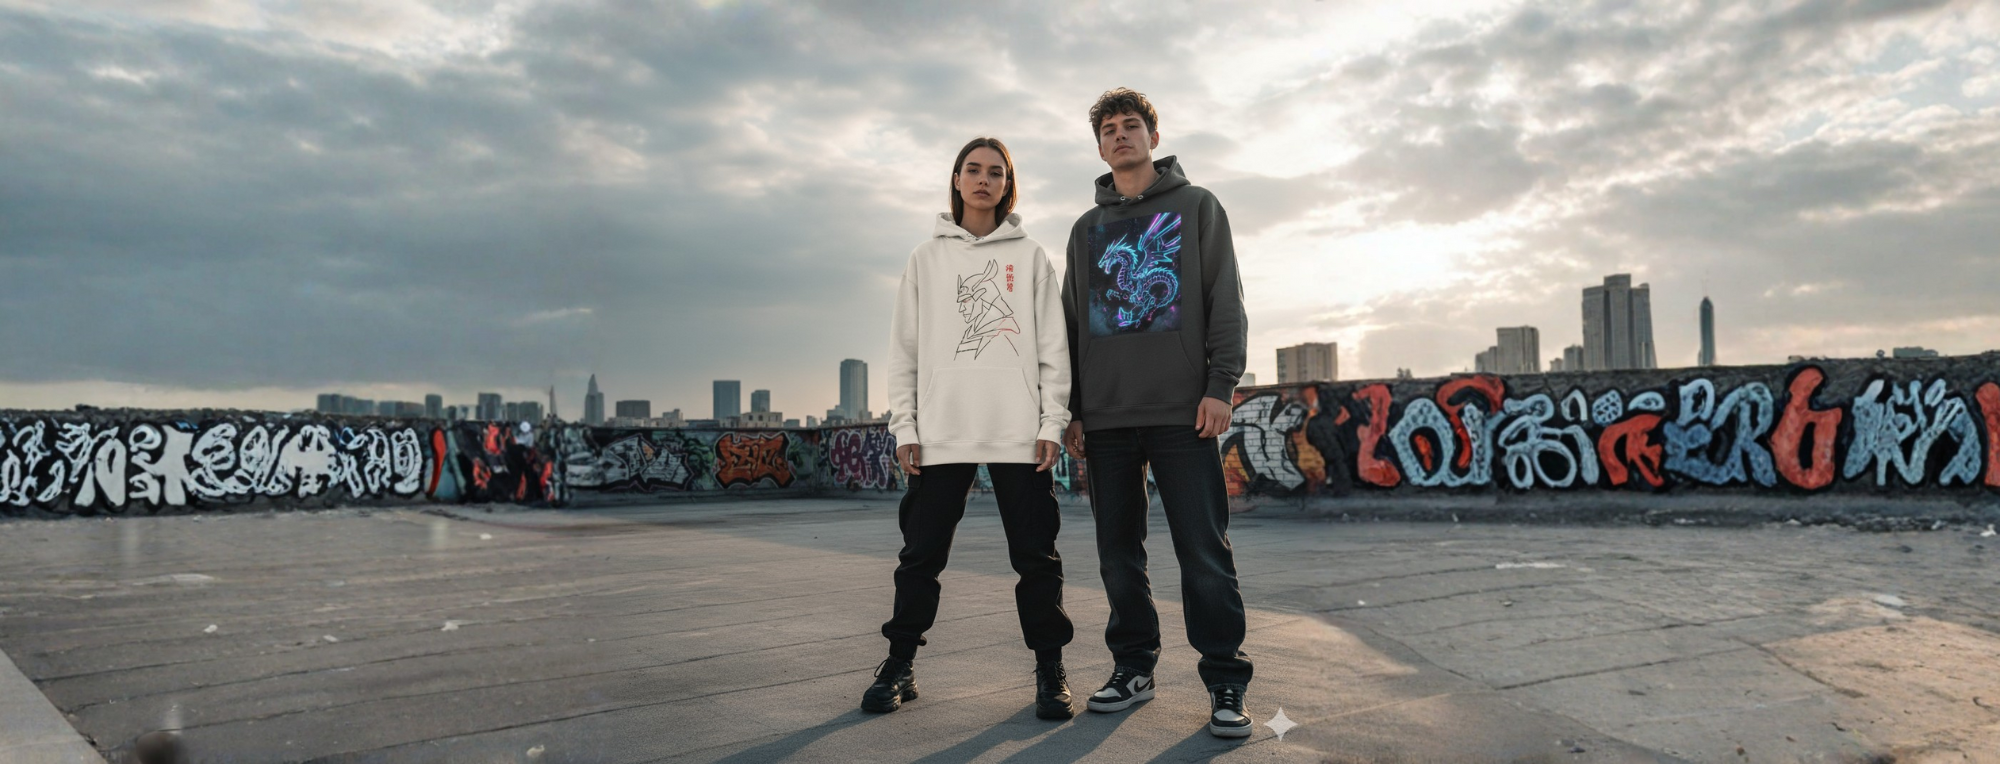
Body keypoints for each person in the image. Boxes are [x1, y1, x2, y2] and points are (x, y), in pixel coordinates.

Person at [1060, 88, 1254, 738]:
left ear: (1152, 135)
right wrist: (1073, 411)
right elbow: (1068, 325)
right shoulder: (1086, 230)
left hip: (1182, 412)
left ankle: (1226, 681)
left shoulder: (1198, 207)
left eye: (1131, 125)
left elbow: (1225, 298)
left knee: (1203, 552)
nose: (1120, 135)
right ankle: (1133, 668)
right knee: (1118, 554)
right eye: (1109, 129)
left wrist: (1220, 385)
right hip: (1106, 419)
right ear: (1099, 146)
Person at [863, 136, 1077, 720]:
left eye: (996, 172)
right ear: (956, 179)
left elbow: (1054, 350)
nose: (984, 179)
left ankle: (1050, 668)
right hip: (940, 433)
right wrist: (905, 426)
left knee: (1037, 558)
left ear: (1009, 184)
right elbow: (902, 351)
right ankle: (899, 663)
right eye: (973, 170)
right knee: (920, 558)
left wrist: (1052, 421)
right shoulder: (924, 258)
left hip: (1018, 434)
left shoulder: (1030, 255)